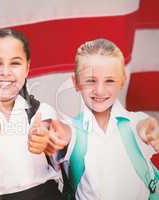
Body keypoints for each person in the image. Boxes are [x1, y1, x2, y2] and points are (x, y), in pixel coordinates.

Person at [0, 28, 69, 200]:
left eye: (15, 63)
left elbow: (61, 153)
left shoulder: (43, 111)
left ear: (27, 68)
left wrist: (50, 142)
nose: (5, 72)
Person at [63, 38, 159, 200]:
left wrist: (151, 129)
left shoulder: (136, 123)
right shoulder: (70, 130)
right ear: (76, 82)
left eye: (109, 80)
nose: (100, 90)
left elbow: (146, 126)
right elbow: (58, 134)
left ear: (122, 80)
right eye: (91, 80)